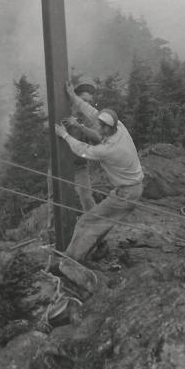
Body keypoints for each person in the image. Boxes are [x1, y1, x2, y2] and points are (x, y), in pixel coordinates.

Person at [53, 107, 144, 264]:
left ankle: (71, 261)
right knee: (100, 224)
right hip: (133, 189)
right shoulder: (120, 128)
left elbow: (82, 149)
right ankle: (91, 252)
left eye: (101, 126)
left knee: (86, 222)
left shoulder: (109, 149)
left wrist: (64, 134)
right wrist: (74, 100)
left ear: (108, 128)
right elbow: (92, 112)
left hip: (126, 193)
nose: (98, 128)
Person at [64, 81, 105, 212]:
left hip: (79, 166)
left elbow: (98, 137)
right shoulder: (62, 111)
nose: (86, 105)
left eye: (89, 102)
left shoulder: (89, 119)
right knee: (55, 201)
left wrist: (80, 126)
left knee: (87, 198)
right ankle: (54, 231)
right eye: (83, 100)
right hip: (58, 164)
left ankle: (95, 228)